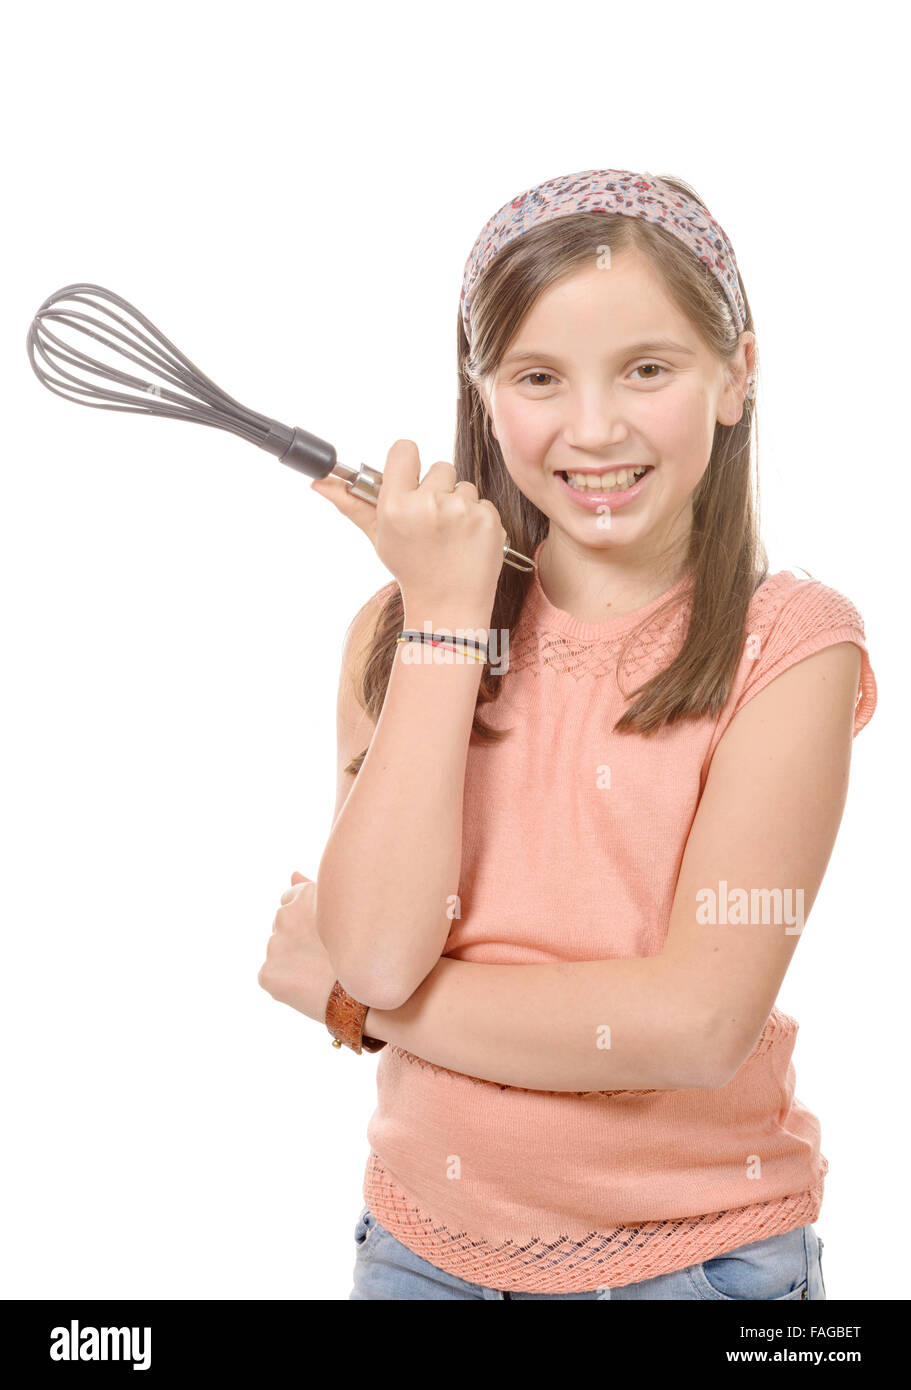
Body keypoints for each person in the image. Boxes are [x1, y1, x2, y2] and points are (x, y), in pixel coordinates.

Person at [259, 168, 877, 1300]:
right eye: (539, 377)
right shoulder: (397, 635)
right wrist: (445, 621)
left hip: (697, 1260)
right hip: (416, 1253)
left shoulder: (790, 647)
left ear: (736, 374)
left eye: (647, 368)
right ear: (483, 392)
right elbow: (382, 944)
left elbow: (690, 1025)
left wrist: (362, 1009)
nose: (593, 430)